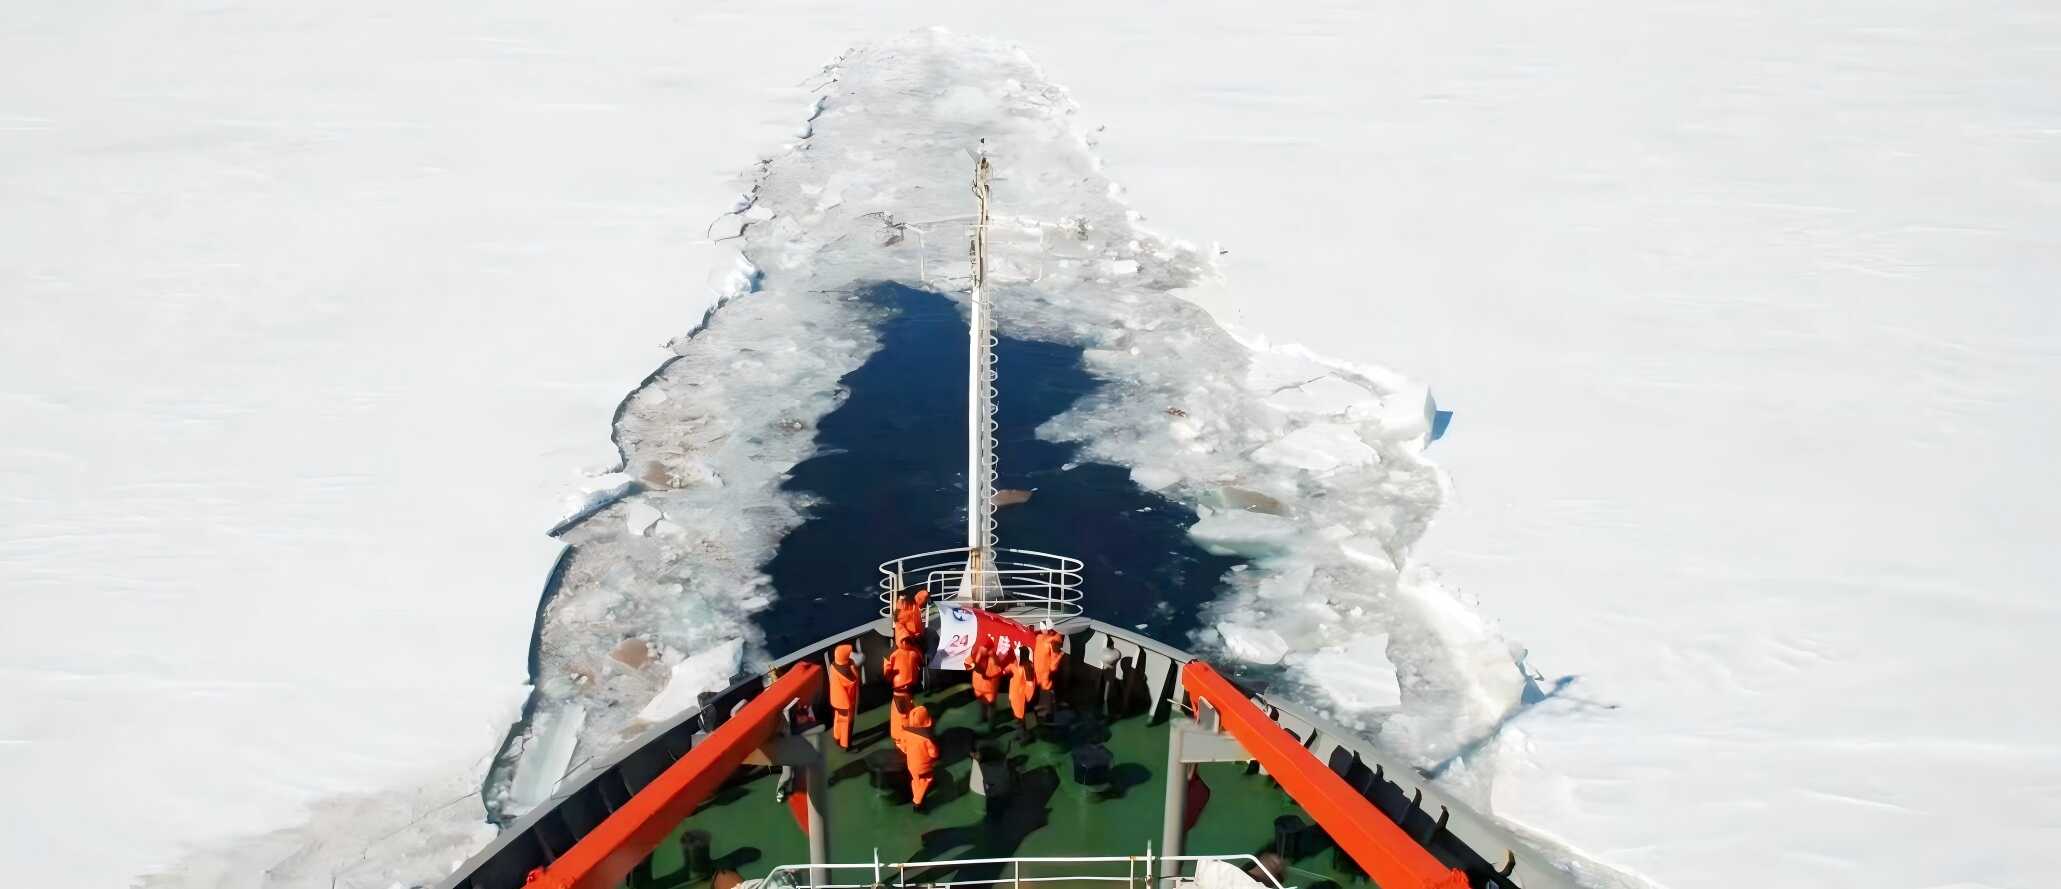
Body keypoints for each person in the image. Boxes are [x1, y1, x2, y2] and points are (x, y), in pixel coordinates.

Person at [897, 704, 940, 809]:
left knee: (916, 780)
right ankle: (917, 802)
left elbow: (903, 746)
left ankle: (916, 794)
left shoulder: (906, 733)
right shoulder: (926, 739)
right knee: (926, 780)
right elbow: (933, 753)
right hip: (924, 767)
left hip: (911, 764)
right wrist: (937, 754)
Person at [827, 643, 860, 750]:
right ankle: (846, 744)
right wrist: (854, 668)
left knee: (838, 719)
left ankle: (837, 737)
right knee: (847, 724)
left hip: (836, 700)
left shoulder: (833, 665)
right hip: (845, 703)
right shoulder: (846, 671)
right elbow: (854, 680)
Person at [967, 636, 1002, 723]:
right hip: (978, 687)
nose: (982, 648)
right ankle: (983, 718)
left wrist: (976, 665)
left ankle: (991, 722)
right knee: (982, 703)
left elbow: (988, 673)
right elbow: (969, 664)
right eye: (981, 646)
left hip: (989, 689)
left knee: (990, 705)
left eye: (984, 647)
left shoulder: (993, 659)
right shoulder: (977, 654)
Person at [1032, 625, 1065, 715]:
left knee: (1047, 690)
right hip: (1039, 671)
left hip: (1045, 672)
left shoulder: (1053, 642)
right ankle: (1043, 708)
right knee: (1042, 689)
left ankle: (1048, 713)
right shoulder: (1039, 637)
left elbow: (1054, 662)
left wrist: (1054, 667)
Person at [1006, 644, 1035, 738]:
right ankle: (1022, 733)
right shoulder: (1017, 664)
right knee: (1018, 716)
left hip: (1020, 696)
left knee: (1021, 717)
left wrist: (1027, 698)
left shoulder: (1026, 667)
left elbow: (1030, 684)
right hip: (1015, 694)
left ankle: (1024, 735)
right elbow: (1009, 669)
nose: (1016, 657)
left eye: (1018, 655)